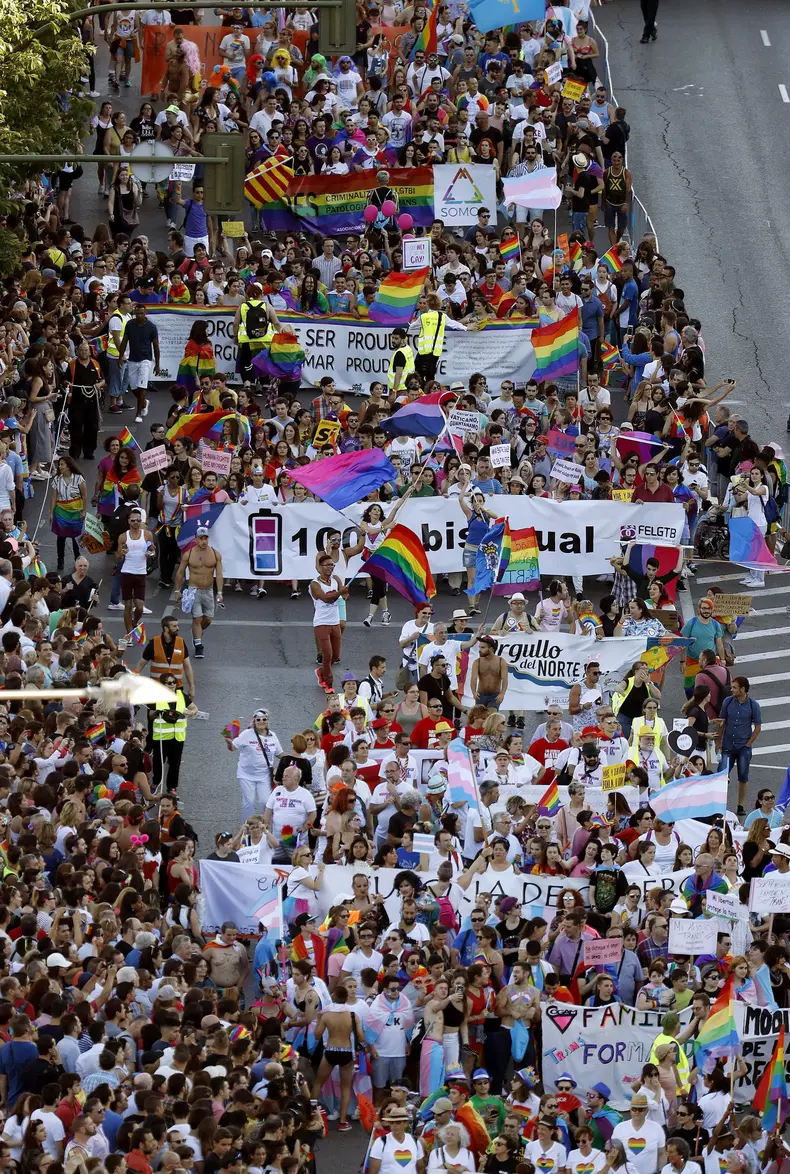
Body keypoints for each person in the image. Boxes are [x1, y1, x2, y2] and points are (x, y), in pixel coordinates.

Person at [173, 524, 224, 659]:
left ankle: (197, 632)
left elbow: (219, 574)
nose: (204, 541)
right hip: (193, 590)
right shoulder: (188, 554)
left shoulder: (215, 554)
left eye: (206, 538)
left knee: (208, 619)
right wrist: (177, 590)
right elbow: (180, 573)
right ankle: (198, 645)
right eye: (201, 538)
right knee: (197, 618)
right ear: (195, 539)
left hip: (208, 591)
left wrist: (219, 592)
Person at [225, 710, 282, 821]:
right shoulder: (247, 734)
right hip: (246, 774)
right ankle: (247, 828)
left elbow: (279, 753)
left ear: (267, 721)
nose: (261, 721)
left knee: (265, 802)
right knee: (249, 802)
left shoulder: (272, 736)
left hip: (264, 775)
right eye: (258, 719)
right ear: (254, 721)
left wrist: (294, 757)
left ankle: (264, 827)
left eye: (264, 719)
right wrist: (228, 742)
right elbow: (233, 748)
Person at [116, 302, 163, 423]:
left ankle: (138, 414)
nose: (139, 316)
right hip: (132, 360)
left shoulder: (152, 327)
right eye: (136, 314)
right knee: (134, 389)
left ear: (145, 313)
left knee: (142, 388)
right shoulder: (130, 324)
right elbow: (125, 341)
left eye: (141, 313)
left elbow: (156, 346)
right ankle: (144, 402)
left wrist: (157, 365)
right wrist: (120, 356)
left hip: (145, 360)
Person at [310, 552, 350, 695]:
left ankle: (321, 672)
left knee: (335, 655)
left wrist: (345, 593)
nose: (330, 567)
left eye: (332, 565)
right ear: (319, 567)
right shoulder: (315, 584)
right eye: (327, 565)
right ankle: (328, 683)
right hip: (321, 623)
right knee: (327, 655)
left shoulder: (336, 579)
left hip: (335, 622)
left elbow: (344, 595)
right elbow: (326, 598)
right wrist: (341, 592)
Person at [116, 506, 154, 635]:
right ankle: (129, 632)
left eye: (138, 520)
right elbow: (117, 557)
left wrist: (150, 554)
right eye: (133, 520)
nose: (136, 523)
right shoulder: (123, 537)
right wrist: (122, 553)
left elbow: (152, 550)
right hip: (127, 572)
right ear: (128, 521)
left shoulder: (147, 535)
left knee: (139, 607)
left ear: (141, 521)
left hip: (141, 574)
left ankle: (134, 622)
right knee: (127, 605)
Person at [49, 455, 87, 572]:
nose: (60, 466)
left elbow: (84, 496)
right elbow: (54, 497)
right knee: (61, 537)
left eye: (62, 464)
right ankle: (60, 560)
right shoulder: (56, 480)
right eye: (59, 464)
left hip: (76, 512)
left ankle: (78, 560)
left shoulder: (79, 479)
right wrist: (51, 512)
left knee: (76, 537)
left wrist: (84, 511)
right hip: (61, 511)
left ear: (69, 466)